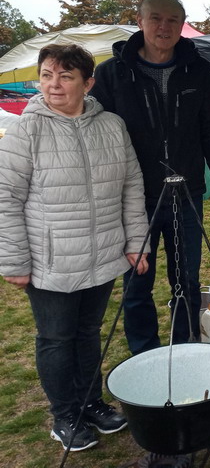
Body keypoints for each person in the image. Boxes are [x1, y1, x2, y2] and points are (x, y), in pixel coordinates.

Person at [0, 45, 149, 452]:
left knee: (87, 333)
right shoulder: (27, 130)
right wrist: (14, 260)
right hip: (51, 259)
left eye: (65, 76)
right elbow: (5, 196)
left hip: (102, 253)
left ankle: (91, 403)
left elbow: (131, 186)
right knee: (56, 338)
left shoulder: (112, 126)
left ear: (88, 83)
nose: (53, 85)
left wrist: (136, 241)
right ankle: (65, 415)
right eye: (47, 75)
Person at [90, 0, 210, 355]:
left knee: (186, 277)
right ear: (140, 21)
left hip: (185, 192)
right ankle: (144, 352)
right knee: (136, 280)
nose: (164, 27)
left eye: (173, 20)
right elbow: (97, 136)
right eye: (156, 18)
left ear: (182, 25)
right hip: (133, 196)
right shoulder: (112, 73)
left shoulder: (199, 70)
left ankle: (184, 346)